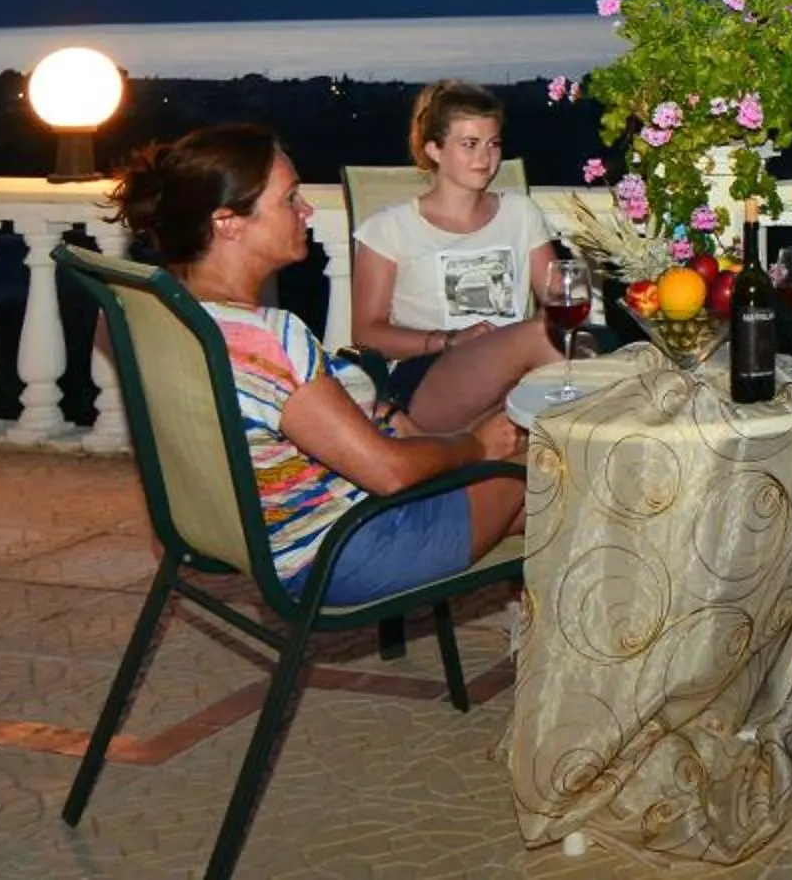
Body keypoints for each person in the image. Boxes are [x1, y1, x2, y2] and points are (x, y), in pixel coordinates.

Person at [108, 123, 524, 605]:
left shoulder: (172, 316)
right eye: (289, 199)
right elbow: (389, 473)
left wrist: (388, 413)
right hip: (345, 548)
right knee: (553, 460)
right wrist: (476, 445)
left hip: (264, 536)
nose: (307, 210)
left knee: (543, 511)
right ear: (229, 223)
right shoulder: (270, 338)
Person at [348, 80, 568, 433]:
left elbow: (559, 298)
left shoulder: (520, 214)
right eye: (469, 145)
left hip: (515, 371)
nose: (485, 158)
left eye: (493, 144)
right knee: (545, 336)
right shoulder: (389, 229)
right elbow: (366, 333)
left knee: (589, 345)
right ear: (434, 149)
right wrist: (450, 339)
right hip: (430, 375)